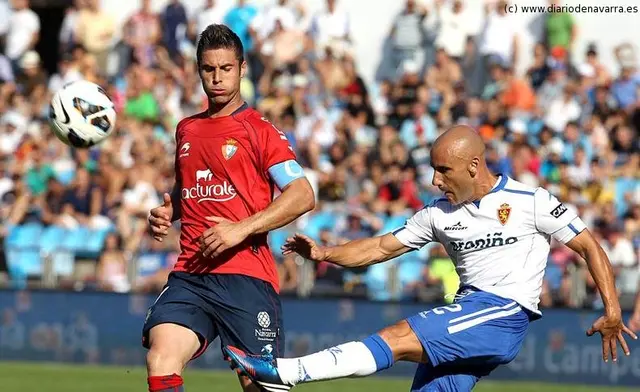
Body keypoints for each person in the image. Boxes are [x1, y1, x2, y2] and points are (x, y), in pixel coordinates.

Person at [223, 125, 636, 392]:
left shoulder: (530, 201)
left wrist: (613, 310)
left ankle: (285, 374)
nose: (435, 180)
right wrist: (325, 253)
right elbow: (381, 247)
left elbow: (589, 247)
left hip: (501, 315)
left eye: (443, 170)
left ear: (474, 166)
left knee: (399, 336)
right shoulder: (438, 213)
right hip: (468, 317)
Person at [144, 24, 315, 392]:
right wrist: (168, 211)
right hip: (191, 271)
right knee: (161, 358)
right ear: (198, 70)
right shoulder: (186, 129)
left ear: (241, 69)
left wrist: (240, 228)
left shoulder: (260, 130)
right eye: (209, 69)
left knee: (259, 386)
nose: (217, 78)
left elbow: (302, 194)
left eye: (225, 69)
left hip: (245, 276)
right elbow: (189, 186)